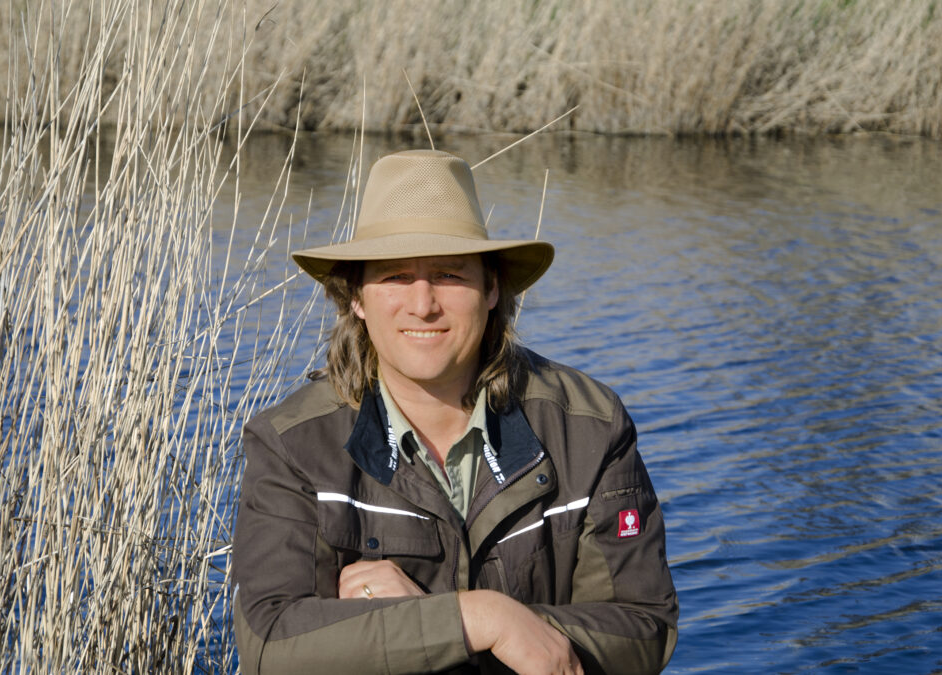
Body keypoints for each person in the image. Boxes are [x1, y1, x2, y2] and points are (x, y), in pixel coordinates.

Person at [232, 149, 678, 674]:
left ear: (492, 289)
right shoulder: (292, 445)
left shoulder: (588, 426)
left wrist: (425, 620)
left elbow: (642, 631)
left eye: (448, 274)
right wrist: (480, 620)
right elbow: (271, 646)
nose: (423, 304)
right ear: (356, 296)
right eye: (396, 276)